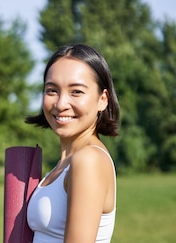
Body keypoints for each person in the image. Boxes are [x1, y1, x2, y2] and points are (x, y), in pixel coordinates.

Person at [25, 44, 120, 243]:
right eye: (52, 90)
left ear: (102, 100)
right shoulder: (64, 164)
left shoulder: (89, 160)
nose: (60, 104)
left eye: (76, 92)